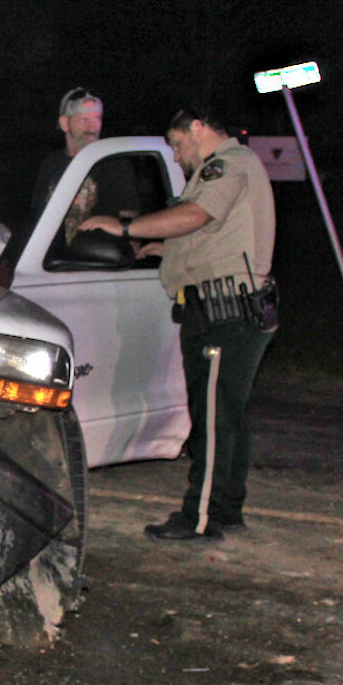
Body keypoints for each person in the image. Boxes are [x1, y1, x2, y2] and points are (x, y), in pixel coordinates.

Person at [78, 106, 277, 542]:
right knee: (229, 418)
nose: (175, 154)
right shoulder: (237, 166)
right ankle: (226, 509)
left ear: (199, 128)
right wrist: (158, 250)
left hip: (223, 315)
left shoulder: (224, 165)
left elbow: (194, 216)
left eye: (177, 143)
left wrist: (124, 227)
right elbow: (211, 238)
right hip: (235, 310)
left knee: (211, 421)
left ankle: (199, 518)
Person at [30, 87, 139, 249]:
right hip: (53, 263)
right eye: (83, 120)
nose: (93, 128)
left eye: (97, 119)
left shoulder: (115, 164)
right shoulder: (51, 164)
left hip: (98, 262)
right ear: (65, 123)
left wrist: (131, 247)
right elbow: (37, 216)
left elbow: (130, 220)